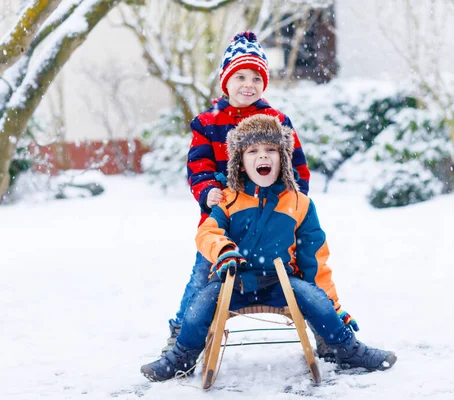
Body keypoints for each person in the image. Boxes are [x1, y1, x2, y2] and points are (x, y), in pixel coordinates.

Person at [141, 114, 397, 382]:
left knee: (315, 299)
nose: (262, 156)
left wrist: (333, 306)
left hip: (281, 284)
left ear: (283, 158)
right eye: (253, 150)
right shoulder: (229, 199)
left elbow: (316, 262)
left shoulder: (299, 204)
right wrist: (223, 249)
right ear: (240, 162)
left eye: (270, 150)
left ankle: (347, 349)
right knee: (198, 306)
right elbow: (208, 232)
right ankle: (180, 358)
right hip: (233, 283)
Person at [162, 31, 311, 354]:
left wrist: (294, 201)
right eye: (240, 76)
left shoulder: (276, 121)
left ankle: (326, 327)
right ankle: (182, 332)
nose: (248, 84)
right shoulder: (207, 123)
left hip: (271, 217)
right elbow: (198, 166)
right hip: (224, 219)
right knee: (203, 273)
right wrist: (208, 191)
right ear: (225, 81)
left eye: (256, 77)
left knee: (305, 267)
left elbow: (297, 166)